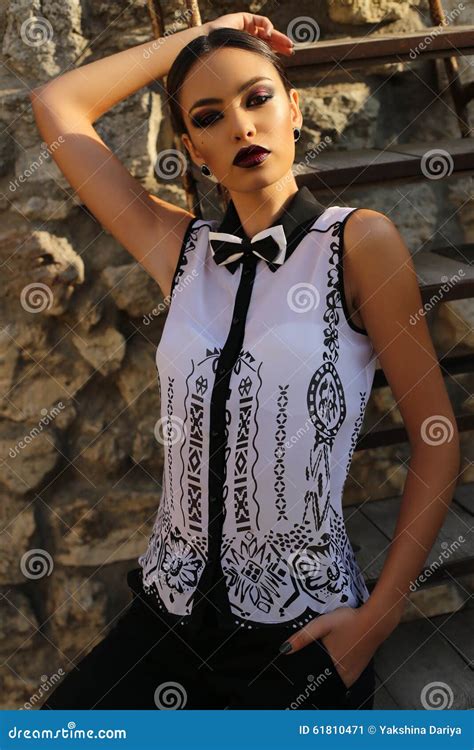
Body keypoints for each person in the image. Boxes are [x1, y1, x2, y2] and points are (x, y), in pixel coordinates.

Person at [30, 12, 460, 711]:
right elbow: (57, 105)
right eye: (210, 115)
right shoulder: (181, 248)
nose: (241, 126)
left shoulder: (358, 243)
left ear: (293, 108)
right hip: (165, 620)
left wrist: (376, 623)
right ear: (193, 146)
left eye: (257, 98)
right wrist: (199, 41)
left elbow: (436, 437)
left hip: (299, 640)